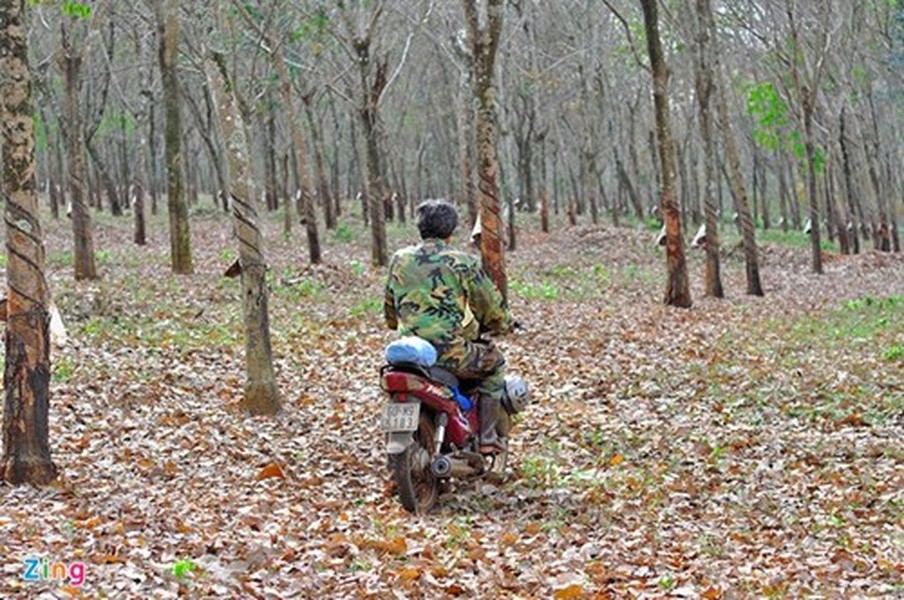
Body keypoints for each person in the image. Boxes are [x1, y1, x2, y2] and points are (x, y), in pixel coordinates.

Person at [384, 199, 513, 455]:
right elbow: (489, 306)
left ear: (420, 227)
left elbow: (390, 310)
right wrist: (503, 323)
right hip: (450, 352)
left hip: (408, 352)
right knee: (495, 364)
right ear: (451, 230)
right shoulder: (462, 262)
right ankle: (487, 437)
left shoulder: (400, 259)